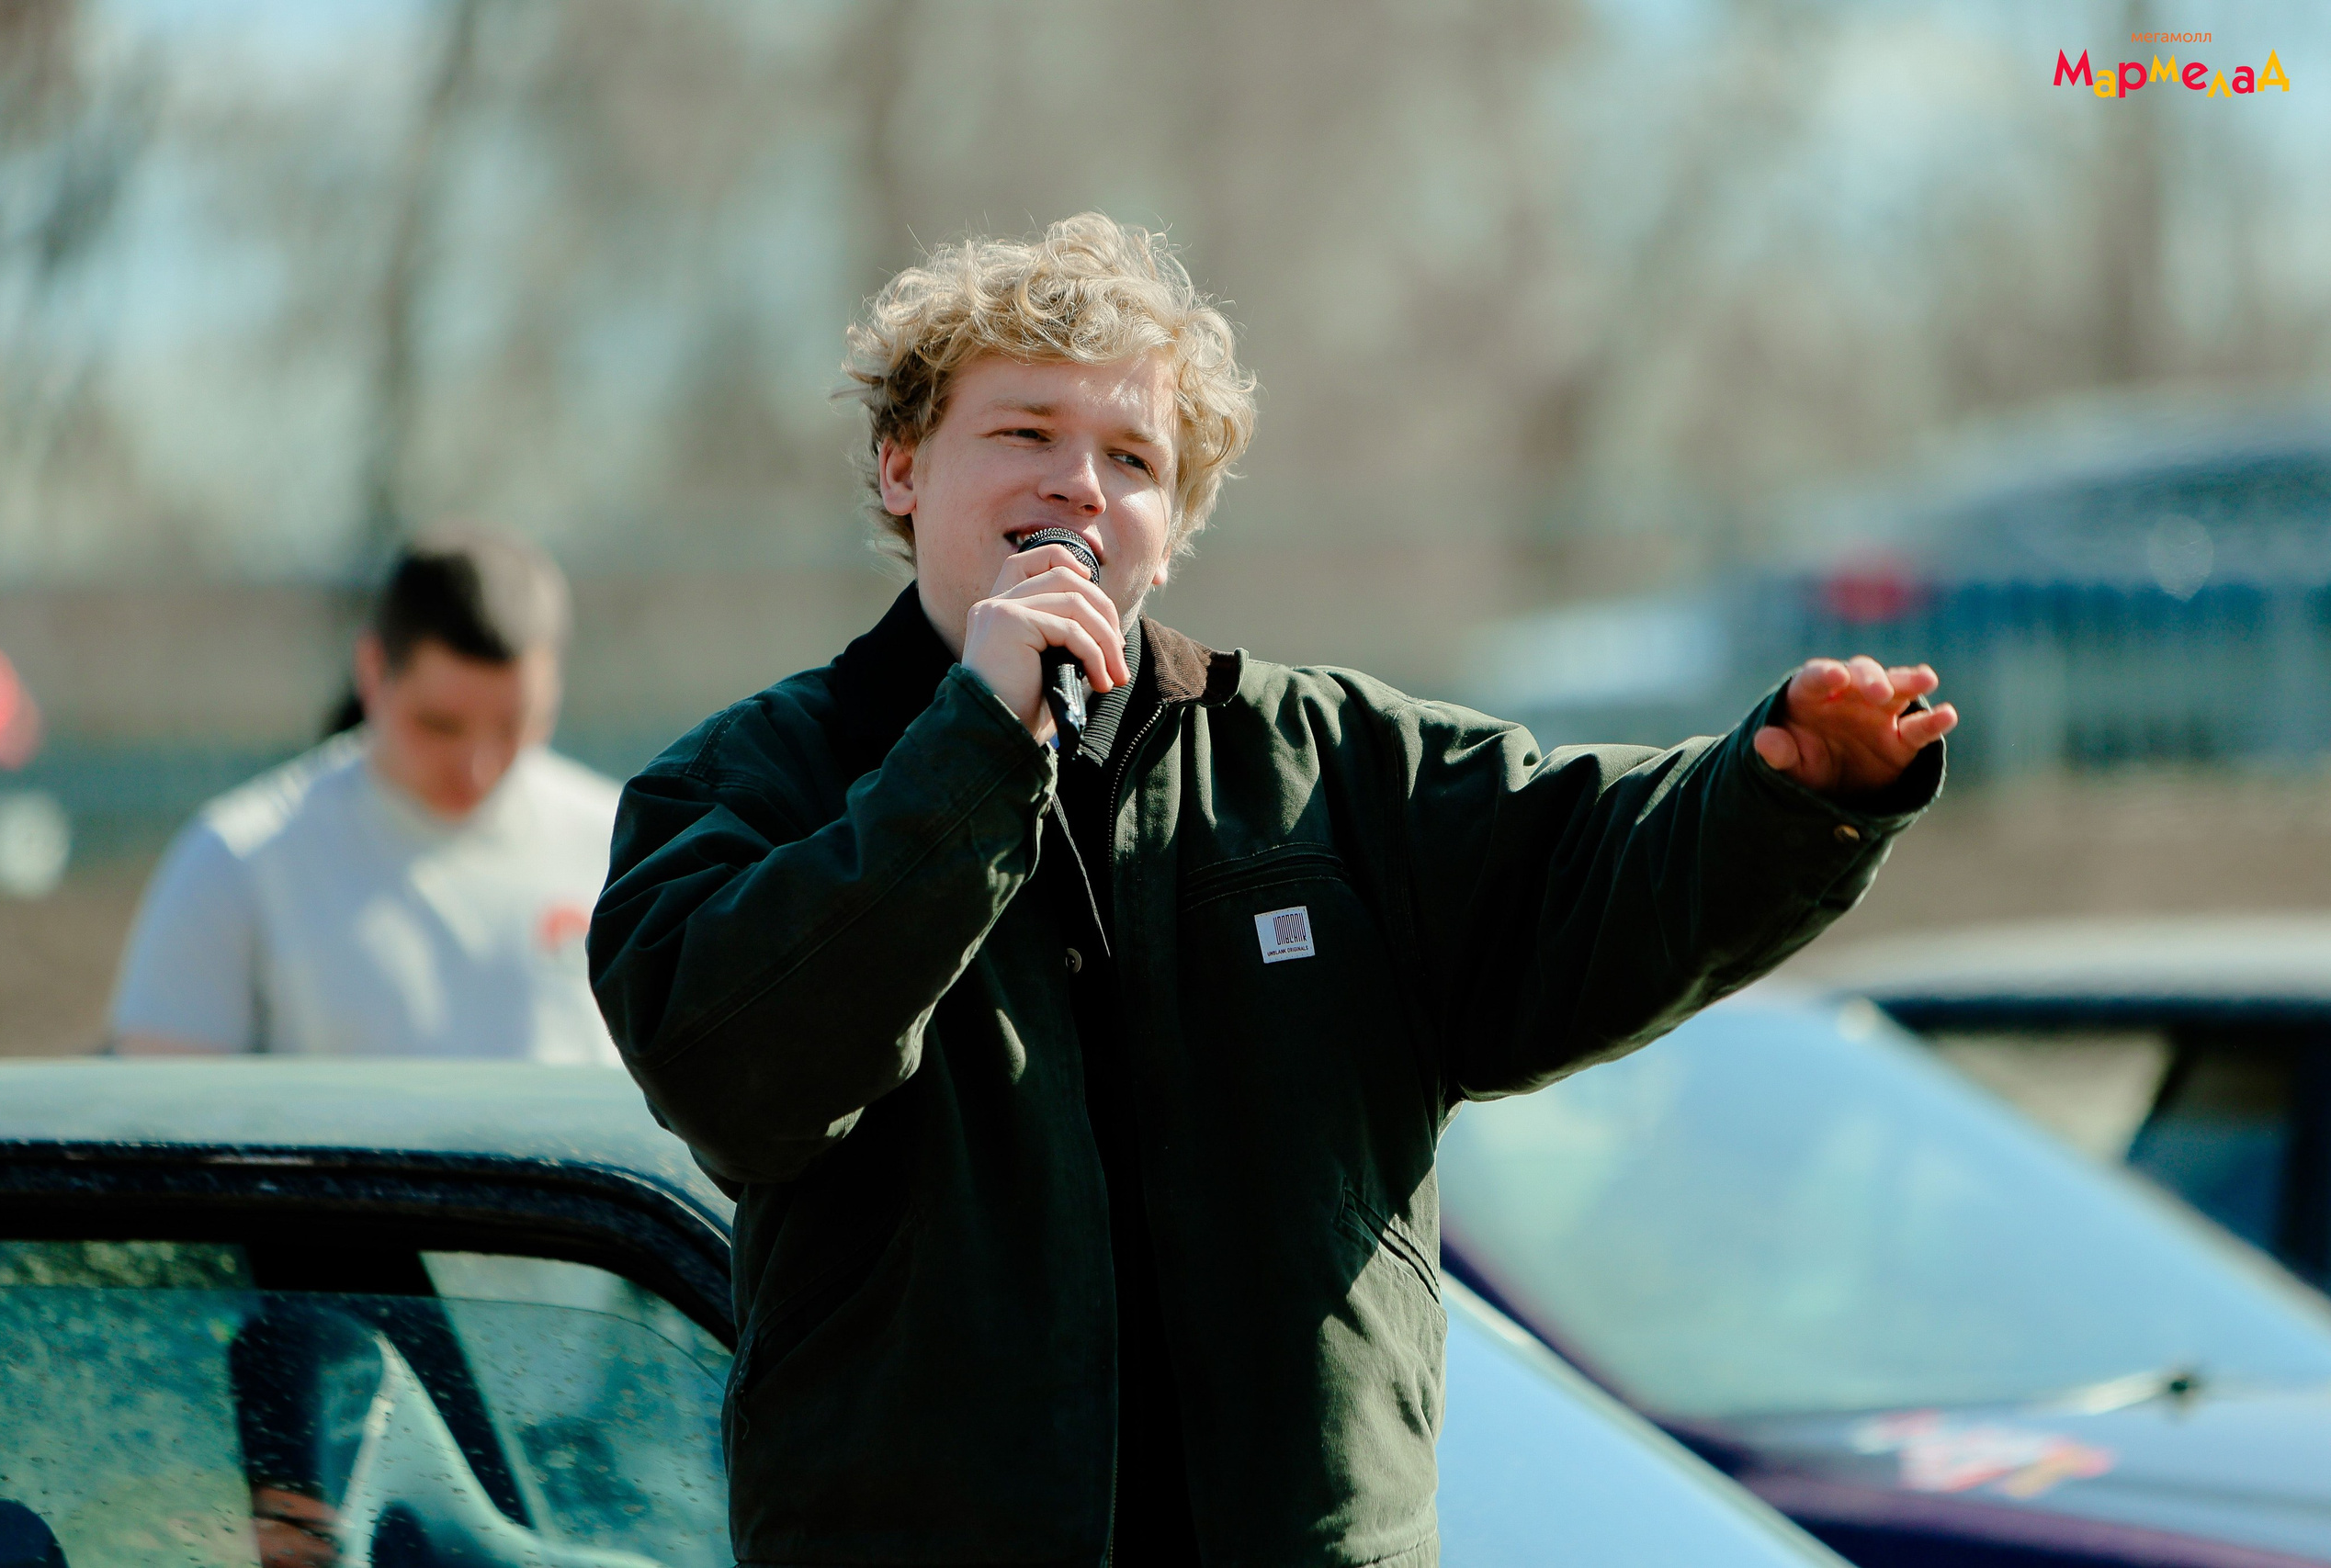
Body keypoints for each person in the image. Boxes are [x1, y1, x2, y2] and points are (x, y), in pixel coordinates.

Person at [588, 214, 1957, 1567]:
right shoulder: (748, 781)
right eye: (1025, 431)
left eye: (1132, 458)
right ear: (900, 468)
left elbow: (1601, 867)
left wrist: (1790, 793)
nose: (1078, 484)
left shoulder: (1331, 769)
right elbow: (734, 1068)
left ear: (1170, 533)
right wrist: (974, 751)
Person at [110, 527, 620, 1065]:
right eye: (439, 726)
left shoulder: (624, 851)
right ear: (373, 671)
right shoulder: (239, 861)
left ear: (554, 690)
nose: (477, 767)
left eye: (513, 726)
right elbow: (164, 1121)